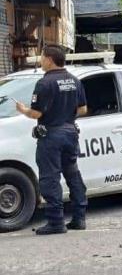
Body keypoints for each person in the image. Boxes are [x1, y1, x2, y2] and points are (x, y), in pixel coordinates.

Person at [15, 45, 88, 235]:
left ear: (49, 59)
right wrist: (65, 116)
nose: (40, 60)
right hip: (71, 133)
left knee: (50, 178)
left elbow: (36, 113)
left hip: (51, 136)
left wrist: (23, 110)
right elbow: (83, 109)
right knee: (72, 174)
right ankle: (79, 218)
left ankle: (56, 222)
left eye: (42, 57)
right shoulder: (74, 81)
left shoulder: (44, 83)